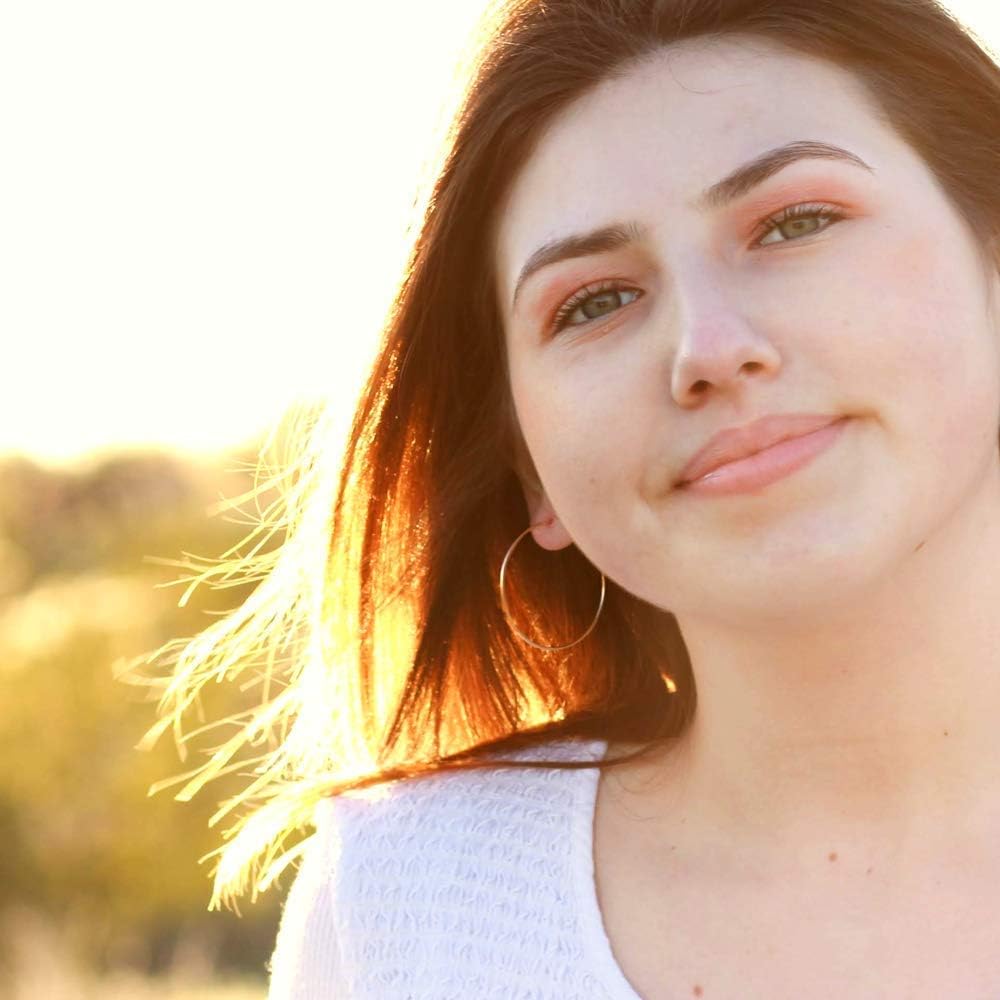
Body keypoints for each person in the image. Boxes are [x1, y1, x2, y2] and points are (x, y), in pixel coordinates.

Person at [129, 0, 1000, 995]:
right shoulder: (404, 904)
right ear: (529, 467)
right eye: (594, 301)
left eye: (794, 223)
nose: (707, 348)